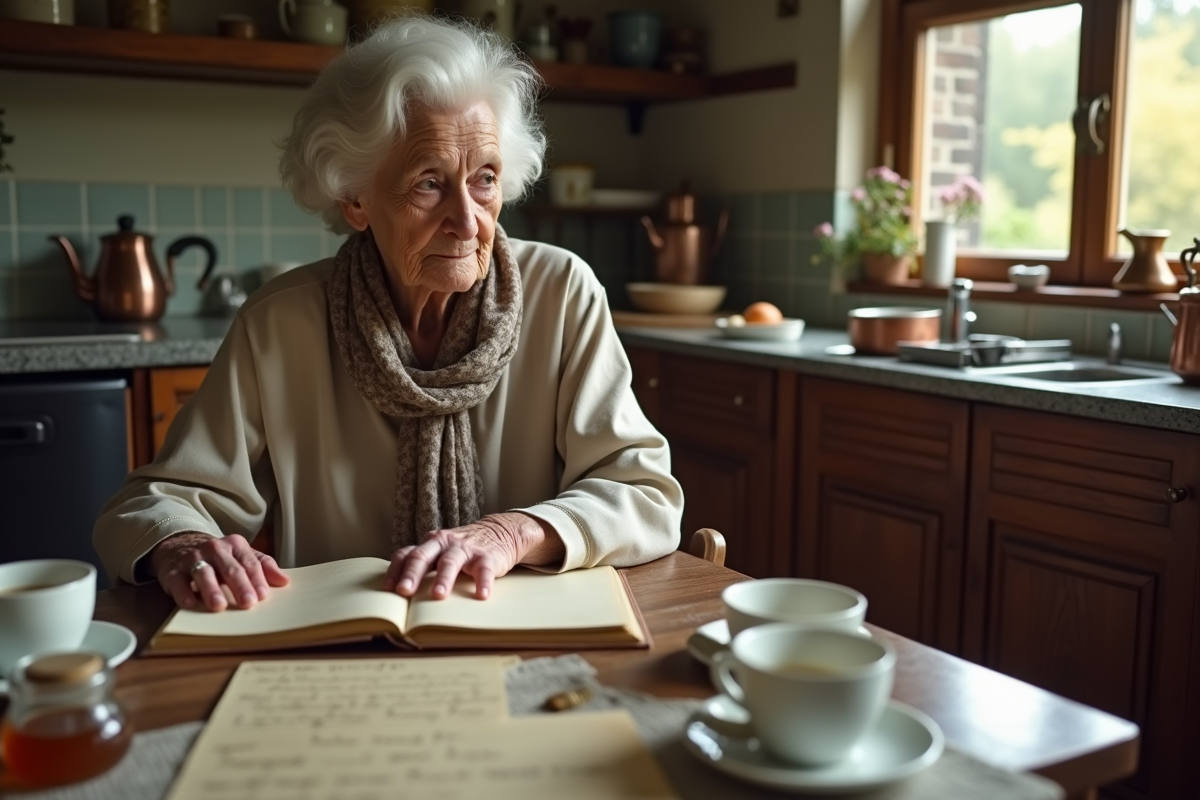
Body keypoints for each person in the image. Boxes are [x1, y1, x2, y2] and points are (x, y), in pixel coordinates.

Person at [92, 16, 683, 613]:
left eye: (484, 179)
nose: (468, 218)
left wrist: (514, 533)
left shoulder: (562, 293)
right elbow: (157, 501)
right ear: (354, 198)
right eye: (429, 183)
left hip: (529, 632)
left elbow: (642, 492)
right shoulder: (281, 324)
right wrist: (184, 542)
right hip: (337, 643)